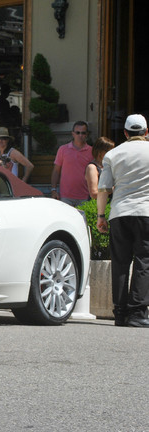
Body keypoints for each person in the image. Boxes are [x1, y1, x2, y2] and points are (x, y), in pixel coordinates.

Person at [97, 114, 149, 327]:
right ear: (146, 132)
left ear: (125, 133)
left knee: (120, 263)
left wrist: (101, 216)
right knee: (144, 261)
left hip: (119, 212)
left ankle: (119, 313)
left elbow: (103, 189)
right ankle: (138, 313)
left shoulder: (112, 154)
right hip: (146, 211)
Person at [50, 120, 93, 205]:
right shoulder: (63, 149)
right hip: (66, 196)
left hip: (85, 196)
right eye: (77, 132)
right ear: (73, 133)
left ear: (87, 134)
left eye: (83, 133)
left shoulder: (91, 151)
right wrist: (53, 189)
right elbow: (56, 171)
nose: (80, 135)